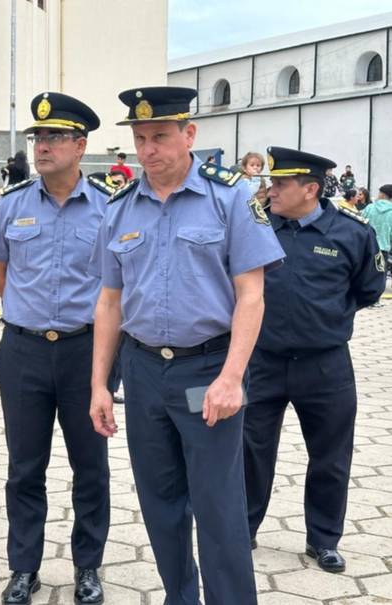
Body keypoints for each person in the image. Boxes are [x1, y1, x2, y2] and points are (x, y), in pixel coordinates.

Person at [89, 86, 286, 605]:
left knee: (218, 505)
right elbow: (109, 303)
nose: (147, 149)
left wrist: (232, 378)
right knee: (160, 503)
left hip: (207, 371)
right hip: (144, 371)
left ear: (189, 134)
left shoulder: (232, 198)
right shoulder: (120, 207)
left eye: (159, 136)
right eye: (139, 138)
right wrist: (99, 386)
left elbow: (252, 295)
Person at [0, 92, 111, 605]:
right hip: (24, 352)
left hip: (85, 353)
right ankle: (23, 568)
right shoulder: (11, 205)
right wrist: (31, 314)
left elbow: (116, 285)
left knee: (89, 465)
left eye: (55, 137)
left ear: (80, 145)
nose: (42, 146)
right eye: (38, 137)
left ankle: (88, 567)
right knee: (24, 467)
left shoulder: (109, 206)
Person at [243, 147, 385, 573]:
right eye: (271, 182)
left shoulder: (351, 231)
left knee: (330, 455)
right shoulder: (256, 225)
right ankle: (241, 528)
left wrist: (323, 321)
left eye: (282, 184)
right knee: (249, 449)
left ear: (311, 189)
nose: (272, 190)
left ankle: (323, 539)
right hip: (261, 361)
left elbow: (370, 289)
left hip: (325, 365)